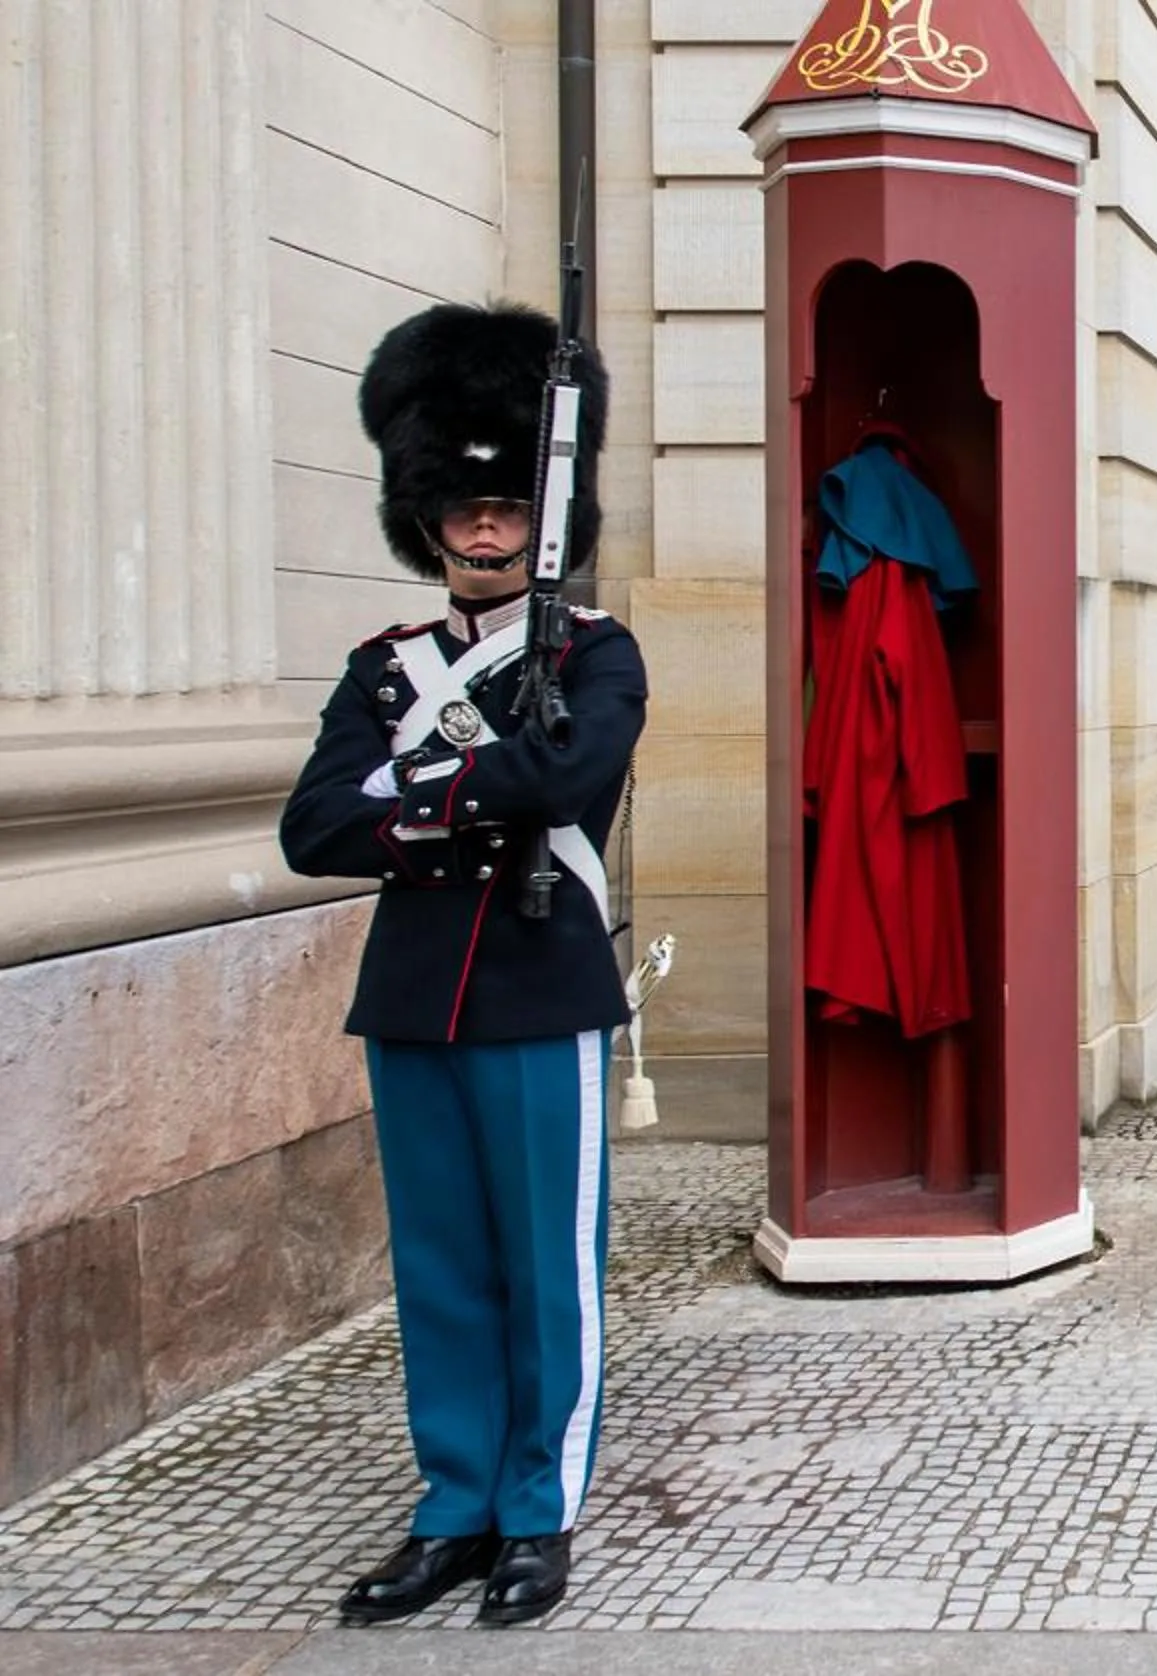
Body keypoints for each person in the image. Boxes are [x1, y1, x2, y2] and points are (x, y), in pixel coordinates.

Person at [280, 300, 643, 1628]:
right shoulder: (384, 672)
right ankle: (453, 1508)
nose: (484, 529)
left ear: (537, 520)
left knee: (550, 1268)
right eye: (459, 511)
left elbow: (575, 769)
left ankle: (538, 1513)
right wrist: (466, 794)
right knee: (438, 1267)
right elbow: (316, 825)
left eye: (504, 510)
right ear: (426, 522)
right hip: (415, 998)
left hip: (543, 993)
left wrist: (421, 795)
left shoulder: (593, 654)